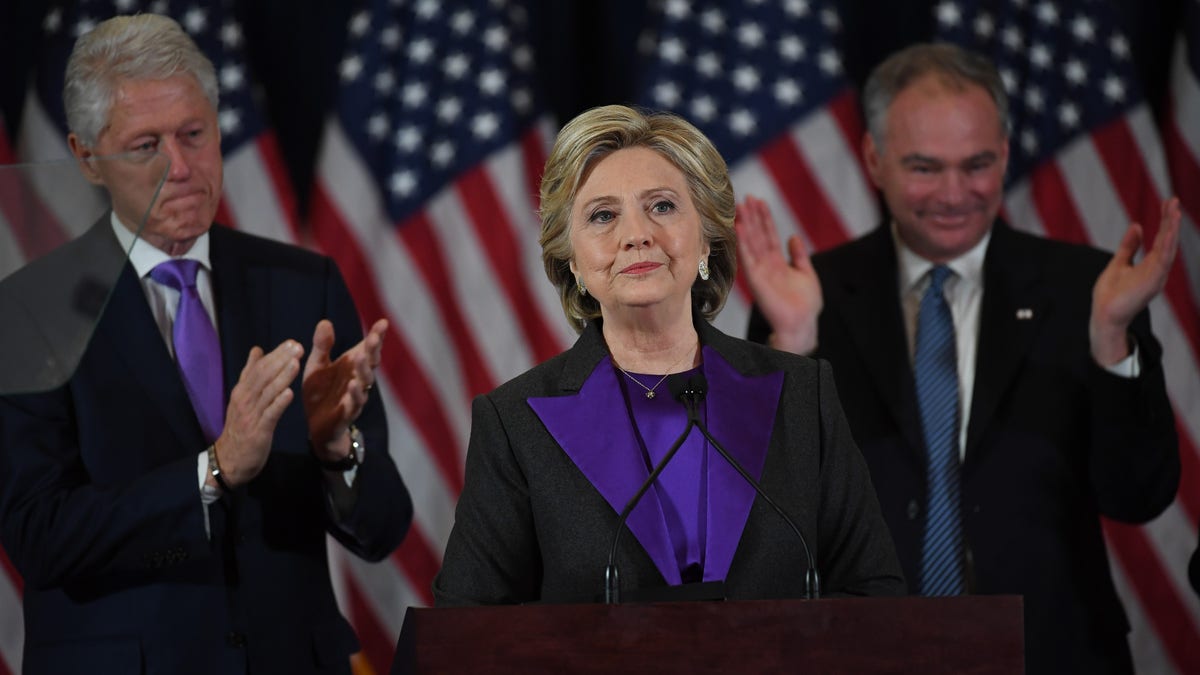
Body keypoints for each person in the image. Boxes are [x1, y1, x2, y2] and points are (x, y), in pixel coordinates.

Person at [737, 43, 1180, 674]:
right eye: (924, 167)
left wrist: (1112, 340)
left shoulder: (1088, 290)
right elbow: (765, 512)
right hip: (864, 654)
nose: (954, 194)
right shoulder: (808, 298)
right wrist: (794, 344)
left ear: (1004, 155)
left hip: (1050, 651)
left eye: (976, 165)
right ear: (873, 159)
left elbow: (1138, 495)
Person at [0, 15, 412, 674]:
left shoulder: (304, 286)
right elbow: (40, 535)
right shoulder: (32, 309)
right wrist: (211, 471)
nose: (183, 168)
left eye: (195, 135)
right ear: (86, 158)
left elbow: (384, 528)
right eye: (145, 146)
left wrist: (340, 451)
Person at [432, 104, 904, 606]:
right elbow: (468, 627)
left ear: (705, 238)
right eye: (603, 215)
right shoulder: (515, 424)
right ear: (571, 259)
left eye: (661, 206)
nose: (637, 234)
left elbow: (872, 594)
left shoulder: (802, 394)